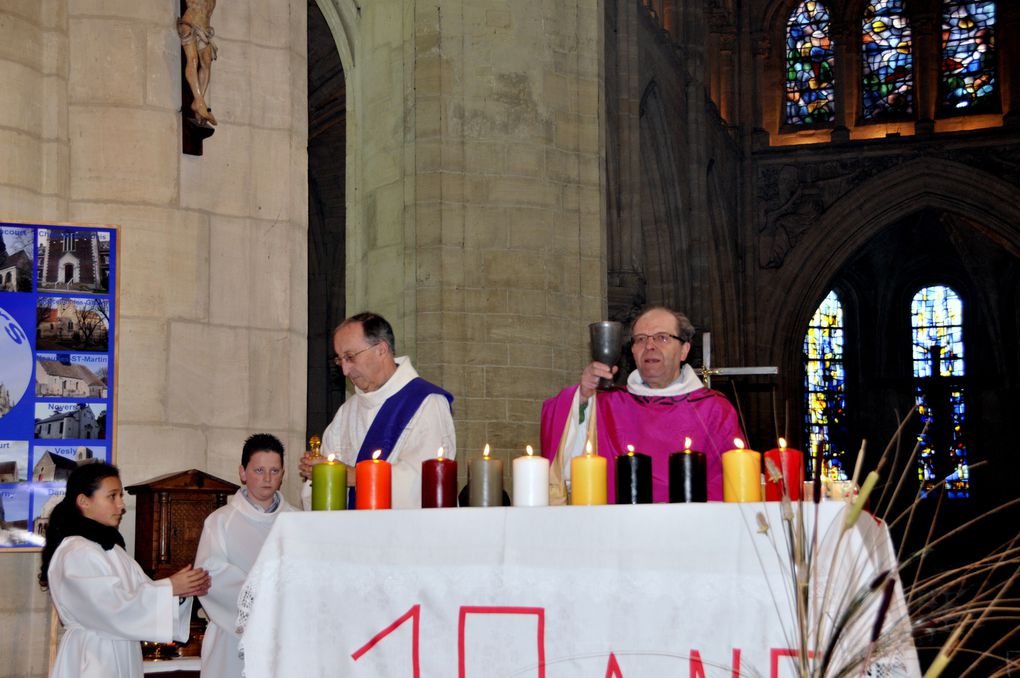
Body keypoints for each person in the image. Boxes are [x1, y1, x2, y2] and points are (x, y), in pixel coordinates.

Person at [541, 306, 745, 503]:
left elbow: (733, 483)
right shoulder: (607, 405)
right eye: (640, 339)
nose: (649, 346)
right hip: (618, 528)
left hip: (691, 527)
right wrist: (583, 396)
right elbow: (567, 461)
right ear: (632, 351)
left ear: (684, 350)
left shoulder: (714, 408)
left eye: (662, 337)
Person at [39, 462, 210, 678]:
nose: (121, 505)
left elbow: (141, 591)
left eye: (121, 496)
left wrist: (180, 593)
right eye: (112, 496)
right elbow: (111, 608)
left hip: (121, 649)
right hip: (93, 657)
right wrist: (170, 587)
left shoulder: (111, 548)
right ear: (83, 501)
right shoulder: (76, 551)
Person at [299, 312, 456, 509]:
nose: (345, 370)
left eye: (350, 357)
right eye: (340, 360)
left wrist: (356, 477)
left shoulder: (427, 402)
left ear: (381, 349)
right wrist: (320, 473)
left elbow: (423, 482)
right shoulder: (347, 412)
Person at [195, 433, 296, 678]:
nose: (267, 478)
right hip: (232, 637)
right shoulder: (220, 522)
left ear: (283, 474)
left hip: (285, 635)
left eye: (274, 471)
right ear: (243, 472)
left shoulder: (296, 520)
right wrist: (264, 599)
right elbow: (211, 577)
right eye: (259, 470)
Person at [177, 0, 218, 126]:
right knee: (193, 59)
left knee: (207, 63)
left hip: (204, 29)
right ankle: (200, 103)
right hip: (189, 23)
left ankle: (198, 101)